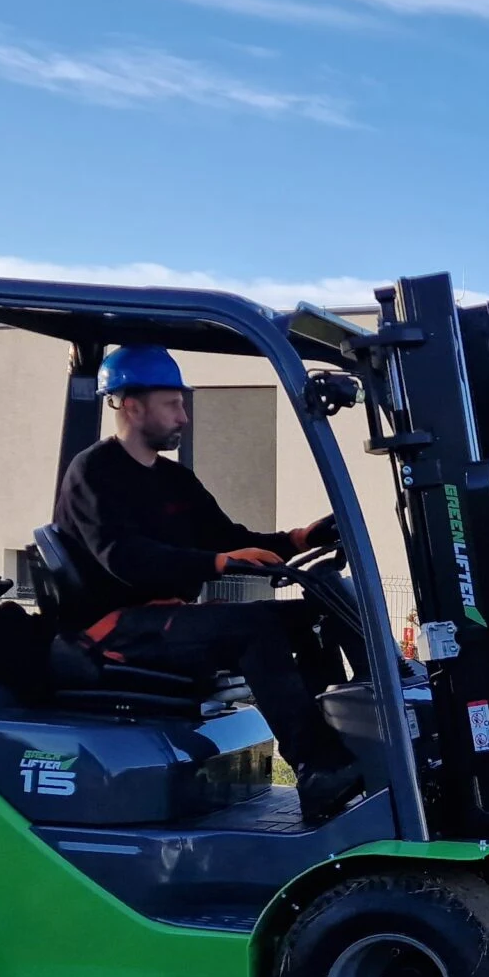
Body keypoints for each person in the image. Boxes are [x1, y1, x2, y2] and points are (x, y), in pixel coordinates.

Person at [55, 345, 365, 823]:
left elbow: (232, 540)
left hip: (167, 620)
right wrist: (219, 562)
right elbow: (125, 559)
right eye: (172, 404)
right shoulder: (94, 473)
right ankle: (316, 766)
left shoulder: (175, 480)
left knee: (313, 613)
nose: (184, 416)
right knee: (255, 626)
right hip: (115, 629)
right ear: (130, 405)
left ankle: (346, 745)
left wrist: (302, 537)